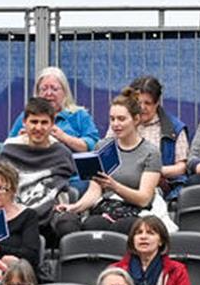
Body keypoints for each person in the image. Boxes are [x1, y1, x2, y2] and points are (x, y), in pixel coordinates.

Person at [50, 92, 162, 239]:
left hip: (135, 212)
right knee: (92, 225)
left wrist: (115, 186)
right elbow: (94, 191)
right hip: (107, 207)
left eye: (121, 119)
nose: (116, 124)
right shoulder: (102, 147)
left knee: (122, 228)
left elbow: (144, 199)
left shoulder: (150, 152)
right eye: (112, 119)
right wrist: (74, 207)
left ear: (136, 119)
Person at [0, 97, 77, 218]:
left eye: (44, 122)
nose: (38, 128)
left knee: (68, 223)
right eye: (34, 122)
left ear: (52, 124)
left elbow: (67, 185)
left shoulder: (61, 153)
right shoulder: (10, 149)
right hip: (13, 213)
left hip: (52, 214)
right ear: (24, 122)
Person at [117, 214, 195, 285]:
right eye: (138, 233)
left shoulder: (176, 270)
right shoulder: (117, 271)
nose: (143, 237)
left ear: (161, 241)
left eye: (150, 233)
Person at [8, 66, 99, 154]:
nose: (49, 93)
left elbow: (94, 146)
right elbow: (7, 148)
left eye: (54, 89)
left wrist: (64, 137)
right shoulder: (27, 116)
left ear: (65, 92)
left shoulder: (79, 115)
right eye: (44, 89)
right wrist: (22, 141)